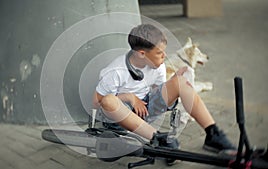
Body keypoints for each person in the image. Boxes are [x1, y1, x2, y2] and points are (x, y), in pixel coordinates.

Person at [92, 24, 235, 157]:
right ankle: (159, 138)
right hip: (120, 119)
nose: (164, 56)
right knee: (108, 100)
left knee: (180, 82)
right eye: (159, 52)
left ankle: (213, 134)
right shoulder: (115, 71)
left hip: (145, 110)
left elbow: (157, 92)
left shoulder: (158, 65)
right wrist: (129, 97)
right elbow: (97, 102)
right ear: (142, 54)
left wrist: (174, 86)